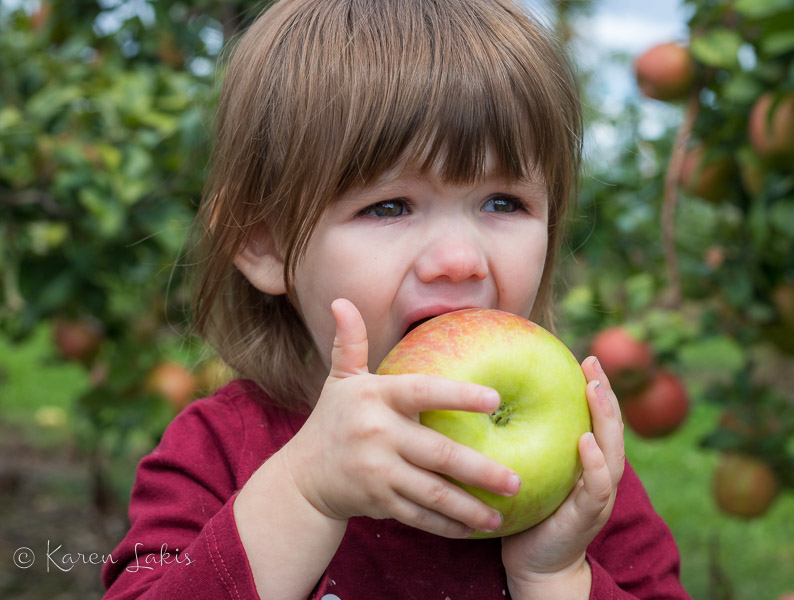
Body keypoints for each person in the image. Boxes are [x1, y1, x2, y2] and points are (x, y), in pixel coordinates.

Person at [103, 0, 690, 598]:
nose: (460, 259)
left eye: (503, 203)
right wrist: (305, 493)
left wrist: (553, 573)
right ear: (265, 244)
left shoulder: (582, 475)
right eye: (389, 206)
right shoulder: (218, 452)